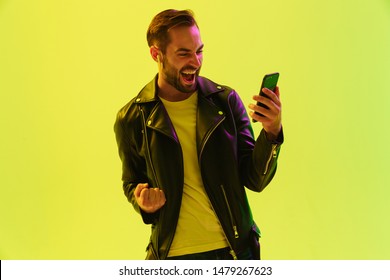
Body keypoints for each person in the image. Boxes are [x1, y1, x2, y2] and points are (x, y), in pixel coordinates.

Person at [114, 9, 283, 260]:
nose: (195, 61)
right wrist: (143, 202)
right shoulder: (131, 118)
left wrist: (272, 133)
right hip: (172, 257)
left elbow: (254, 179)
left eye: (199, 51)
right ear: (155, 54)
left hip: (233, 253)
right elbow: (131, 183)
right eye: (183, 53)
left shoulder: (225, 102)